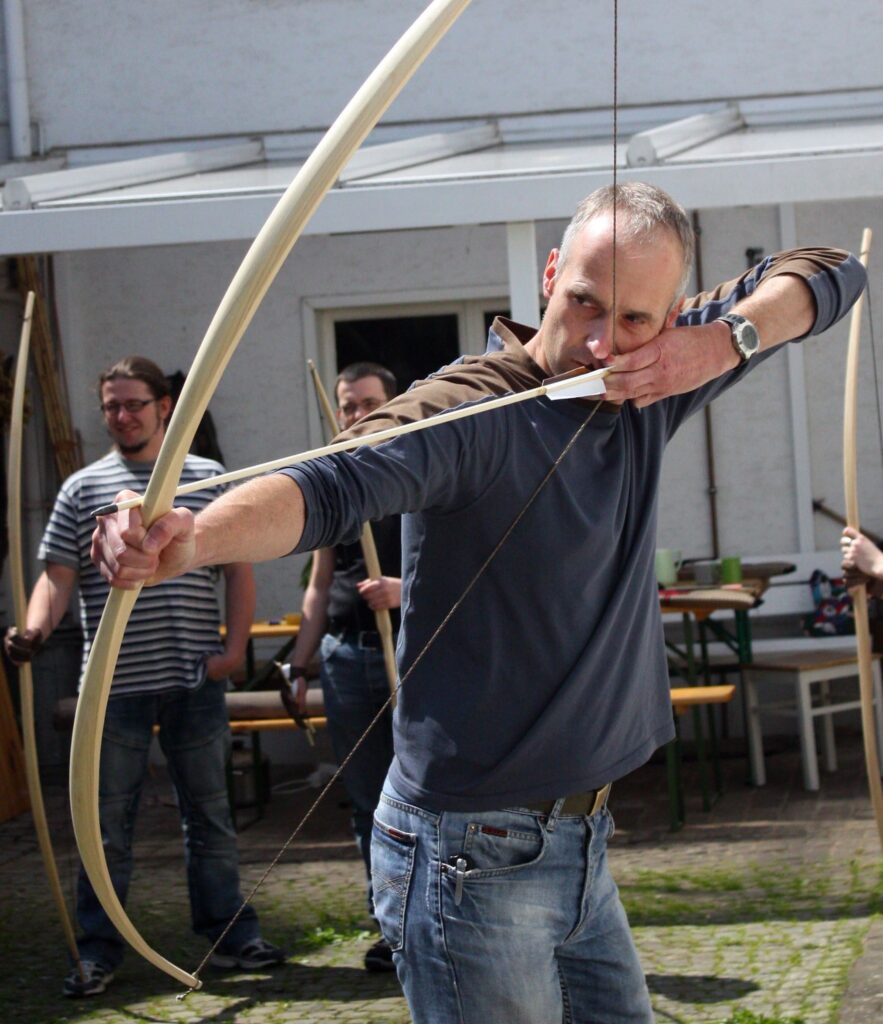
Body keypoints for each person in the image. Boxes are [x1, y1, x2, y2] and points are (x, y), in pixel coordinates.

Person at [91, 184, 866, 1023]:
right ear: (548, 277)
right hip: (469, 856)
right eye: (583, 303)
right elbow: (329, 483)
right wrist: (194, 540)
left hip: (579, 845)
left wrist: (724, 341)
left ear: (669, 314)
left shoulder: (657, 371)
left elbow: (832, 270)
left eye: (637, 318)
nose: (603, 340)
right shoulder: (472, 406)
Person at [4, 356, 284, 998]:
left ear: (165, 406)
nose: (122, 416)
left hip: (193, 680)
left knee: (210, 817)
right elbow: (57, 577)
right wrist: (34, 631)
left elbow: (238, 568)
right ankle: (98, 951)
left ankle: (230, 936)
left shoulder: (209, 477)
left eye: (134, 403)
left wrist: (235, 648)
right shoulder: (82, 488)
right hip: (112, 692)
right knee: (104, 827)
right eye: (111, 406)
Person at [281, 361, 401, 972]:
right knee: (366, 800)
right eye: (347, 405)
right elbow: (320, 580)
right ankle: (389, 924)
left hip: (413, 652)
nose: (356, 415)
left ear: (394, 402)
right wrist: (299, 665)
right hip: (347, 658)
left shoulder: (419, 467)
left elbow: (470, 567)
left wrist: (404, 590)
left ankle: (433, 920)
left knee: (425, 794)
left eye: (368, 403)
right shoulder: (336, 479)